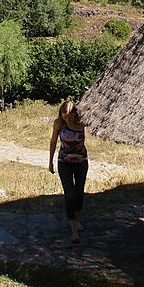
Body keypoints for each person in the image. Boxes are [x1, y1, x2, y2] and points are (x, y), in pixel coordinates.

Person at [48, 100, 88, 243]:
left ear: (75, 114)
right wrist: (50, 160)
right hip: (64, 162)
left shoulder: (82, 122)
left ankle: (76, 218)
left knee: (79, 194)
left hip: (81, 162)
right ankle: (74, 229)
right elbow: (53, 141)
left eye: (69, 116)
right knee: (69, 194)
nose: (67, 119)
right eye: (64, 116)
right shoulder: (58, 123)